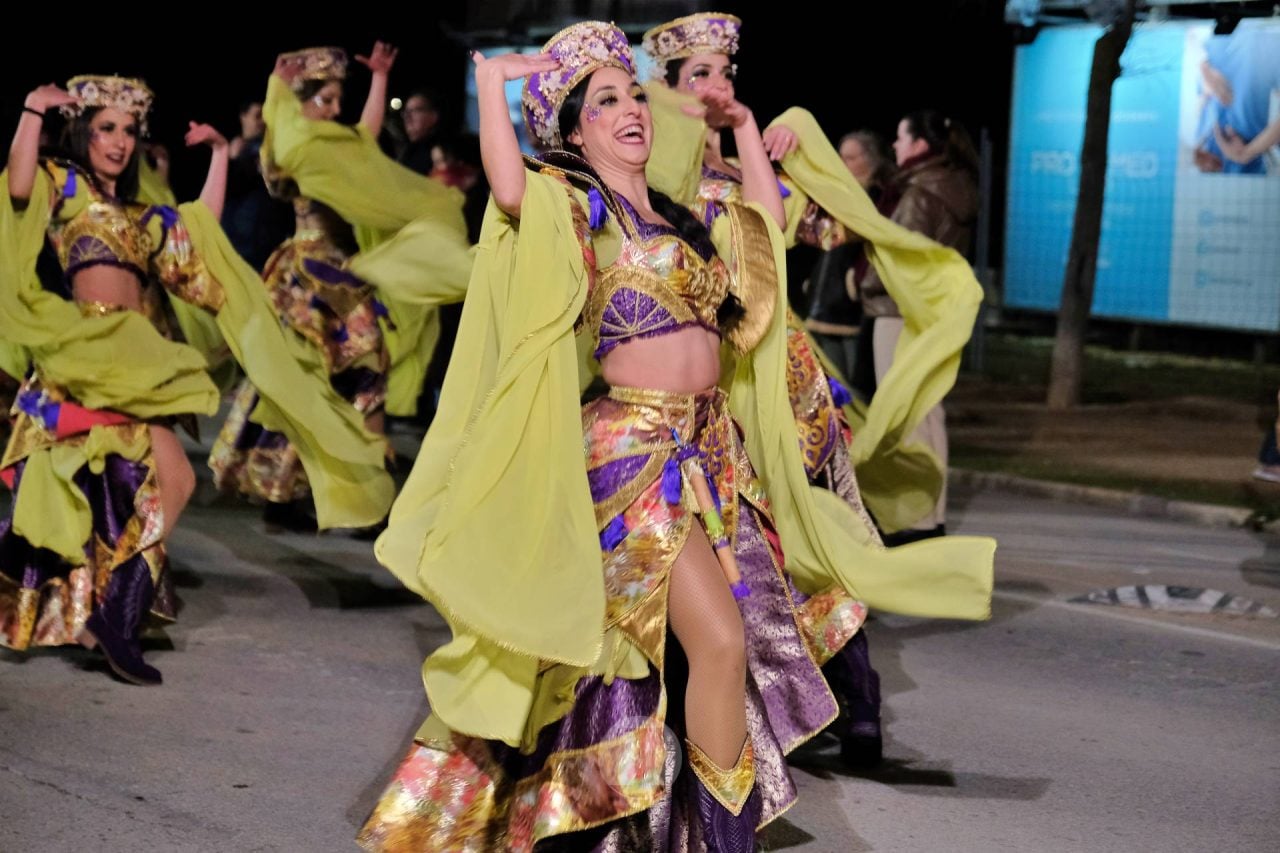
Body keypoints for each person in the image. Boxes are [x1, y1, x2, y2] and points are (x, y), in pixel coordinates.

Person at [357, 21, 994, 851]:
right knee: (719, 641)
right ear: (576, 128)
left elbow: (763, 227)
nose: (631, 110)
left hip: (711, 453)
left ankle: (640, 823)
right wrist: (496, 75)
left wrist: (740, 126)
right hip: (634, 457)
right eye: (606, 100)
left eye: (633, 95)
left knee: (693, 655)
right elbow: (508, 186)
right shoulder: (578, 206)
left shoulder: (683, 218)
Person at [0, 75, 390, 684]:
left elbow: (197, 235)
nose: (120, 142)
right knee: (87, 491)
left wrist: (216, 157)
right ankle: (108, 615)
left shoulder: (139, 215)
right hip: (86, 349)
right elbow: (18, 185)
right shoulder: (67, 188)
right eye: (106, 129)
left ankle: (109, 611)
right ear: (83, 131)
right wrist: (30, 110)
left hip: (137, 357)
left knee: (175, 478)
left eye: (129, 131)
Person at [209, 45, 398, 534]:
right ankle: (296, 491)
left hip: (342, 274)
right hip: (307, 278)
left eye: (339, 99)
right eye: (327, 99)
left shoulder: (336, 145)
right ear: (303, 102)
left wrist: (378, 79)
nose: (336, 109)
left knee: (363, 371)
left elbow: (367, 138)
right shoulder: (292, 149)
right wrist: (278, 92)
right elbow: (274, 162)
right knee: (311, 381)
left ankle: (359, 494)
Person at [858, 108, 979, 544]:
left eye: (901, 137)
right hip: (933, 311)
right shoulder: (956, 185)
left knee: (903, 412)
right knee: (928, 412)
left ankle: (916, 519)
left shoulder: (917, 192)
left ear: (920, 145)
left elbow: (896, 253)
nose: (895, 145)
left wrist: (862, 284)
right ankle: (934, 515)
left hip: (897, 312)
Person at [221, 100, 294, 271]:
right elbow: (226, 191)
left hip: (269, 243)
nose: (262, 121)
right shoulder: (229, 152)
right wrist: (230, 160)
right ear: (243, 117)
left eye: (265, 116)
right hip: (238, 243)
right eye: (257, 115)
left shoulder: (274, 149)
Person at [395, 88, 442, 176]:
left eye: (415, 110)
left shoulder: (441, 154)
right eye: (406, 111)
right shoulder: (405, 149)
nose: (407, 117)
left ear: (433, 116)